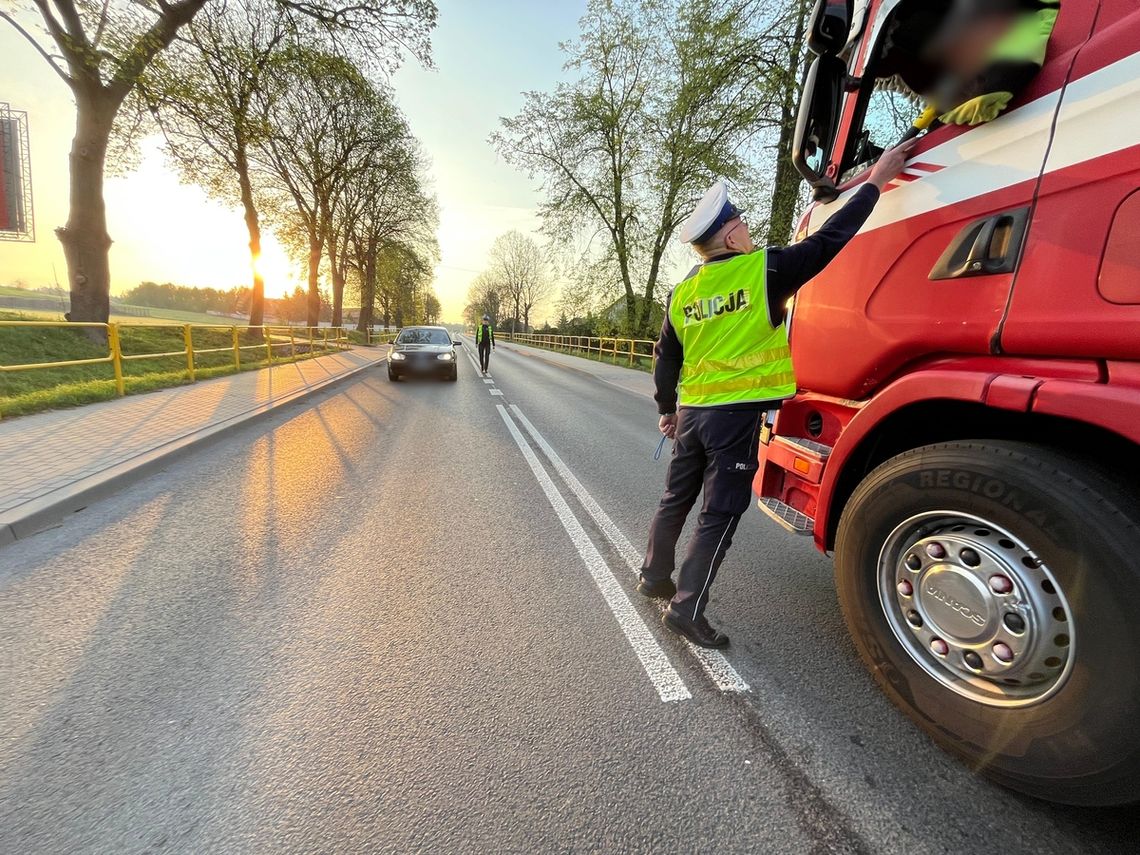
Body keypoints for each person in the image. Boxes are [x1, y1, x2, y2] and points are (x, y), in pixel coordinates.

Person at [639, 141, 915, 649]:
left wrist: (665, 409)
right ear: (728, 233)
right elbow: (830, 240)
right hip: (734, 418)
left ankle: (655, 576)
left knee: (676, 496)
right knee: (719, 512)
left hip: (693, 414)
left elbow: (666, 356)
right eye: (740, 221)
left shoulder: (684, 292)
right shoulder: (763, 270)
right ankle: (686, 608)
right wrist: (874, 181)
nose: (746, 226)